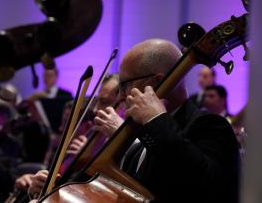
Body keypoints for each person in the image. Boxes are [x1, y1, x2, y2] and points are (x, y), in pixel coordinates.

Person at [94, 39, 239, 203]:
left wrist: (156, 119)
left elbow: (206, 184)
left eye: (125, 84)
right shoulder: (142, 134)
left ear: (156, 81)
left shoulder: (210, 125)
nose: (120, 96)